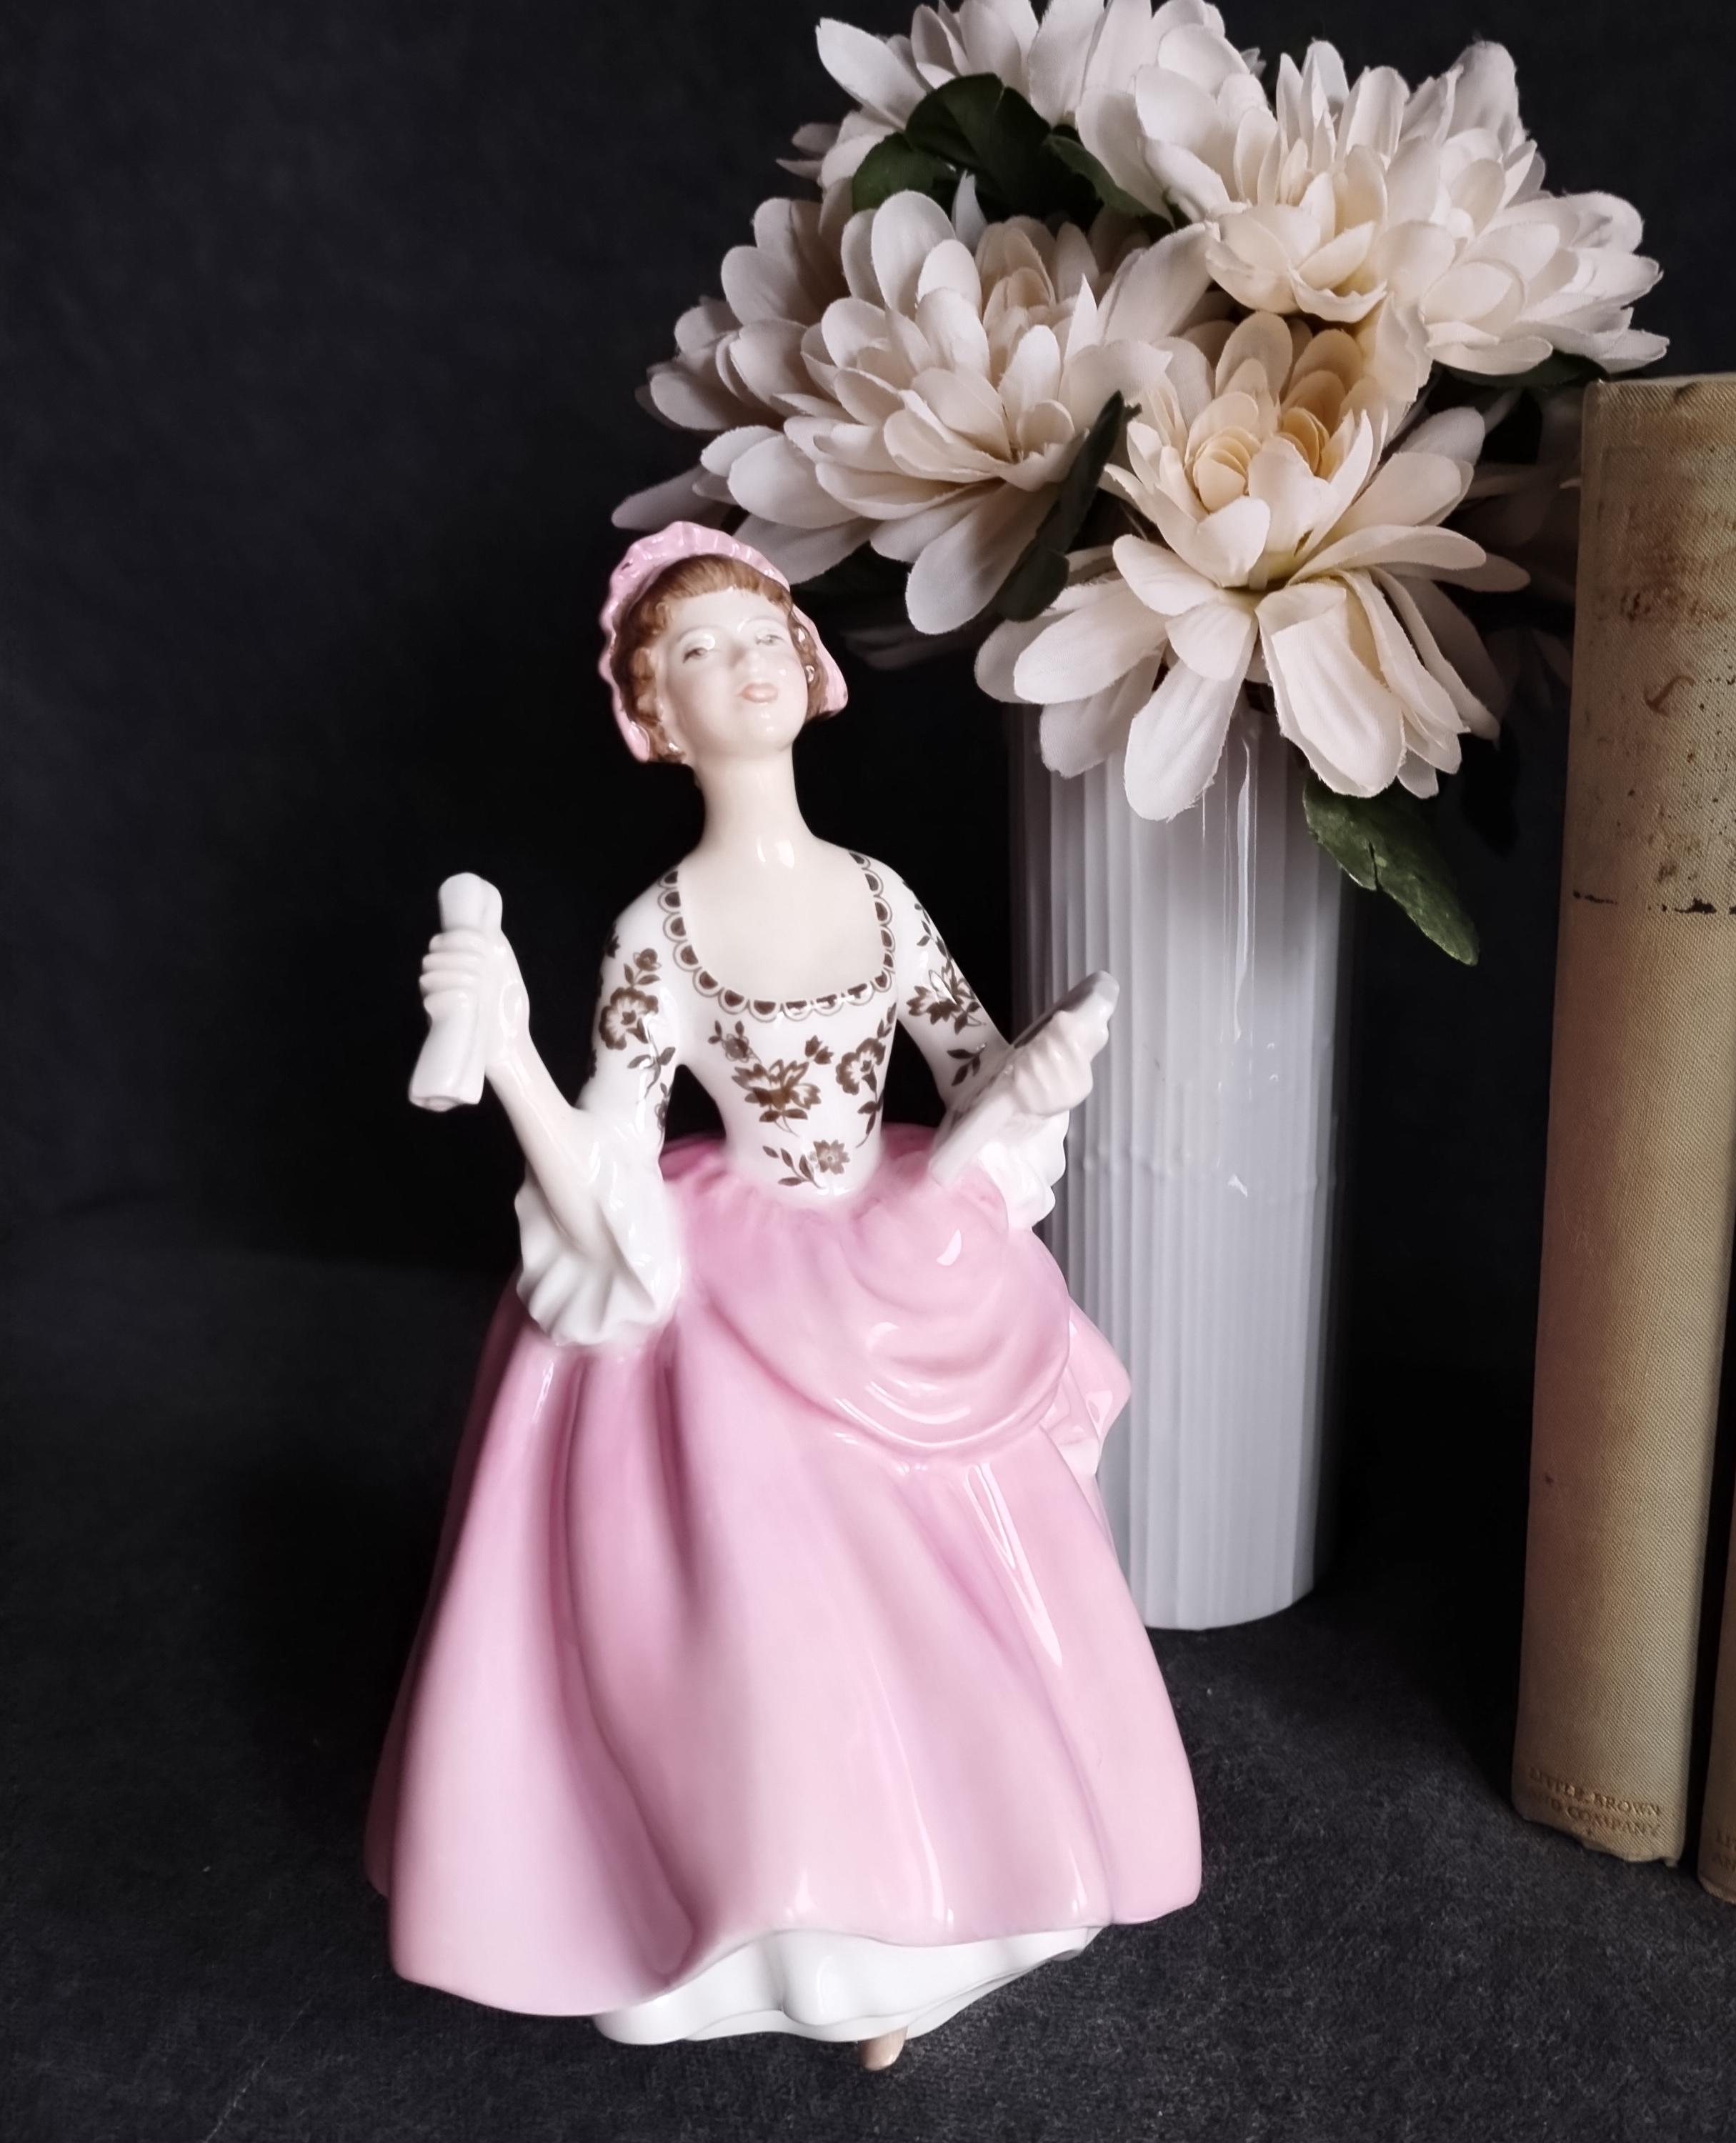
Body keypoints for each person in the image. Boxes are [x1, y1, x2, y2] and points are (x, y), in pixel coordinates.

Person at [365, 524, 1201, 2067]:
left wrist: (1034, 1083)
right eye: (696, 650)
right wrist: (512, 1058)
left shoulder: (878, 895)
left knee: (976, 1569)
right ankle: (800, 1934)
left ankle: (973, 1887)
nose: (743, 661)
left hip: (899, 1242)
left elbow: (974, 1066)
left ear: (812, 673)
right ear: (656, 717)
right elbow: (605, 1171)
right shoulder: (660, 933)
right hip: (741, 1274)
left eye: (762, 633)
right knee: (767, 1599)